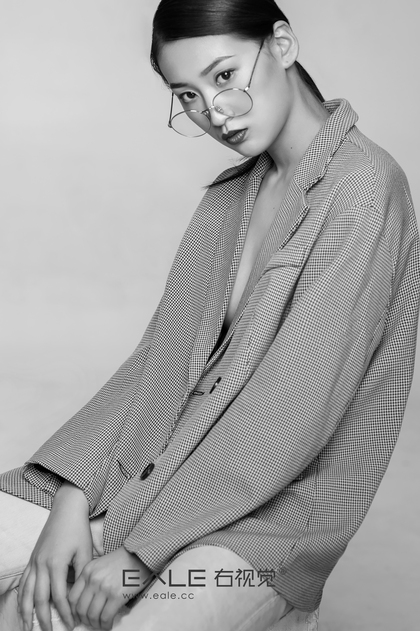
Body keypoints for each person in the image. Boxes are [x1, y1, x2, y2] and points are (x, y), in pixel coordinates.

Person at [0, 0, 419, 630]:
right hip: (145, 473)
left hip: (268, 524)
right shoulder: (228, 197)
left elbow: (288, 419)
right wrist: (72, 496)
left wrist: (135, 552)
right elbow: (154, 368)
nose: (215, 111)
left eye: (224, 76)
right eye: (187, 96)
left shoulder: (364, 189)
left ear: (282, 44)